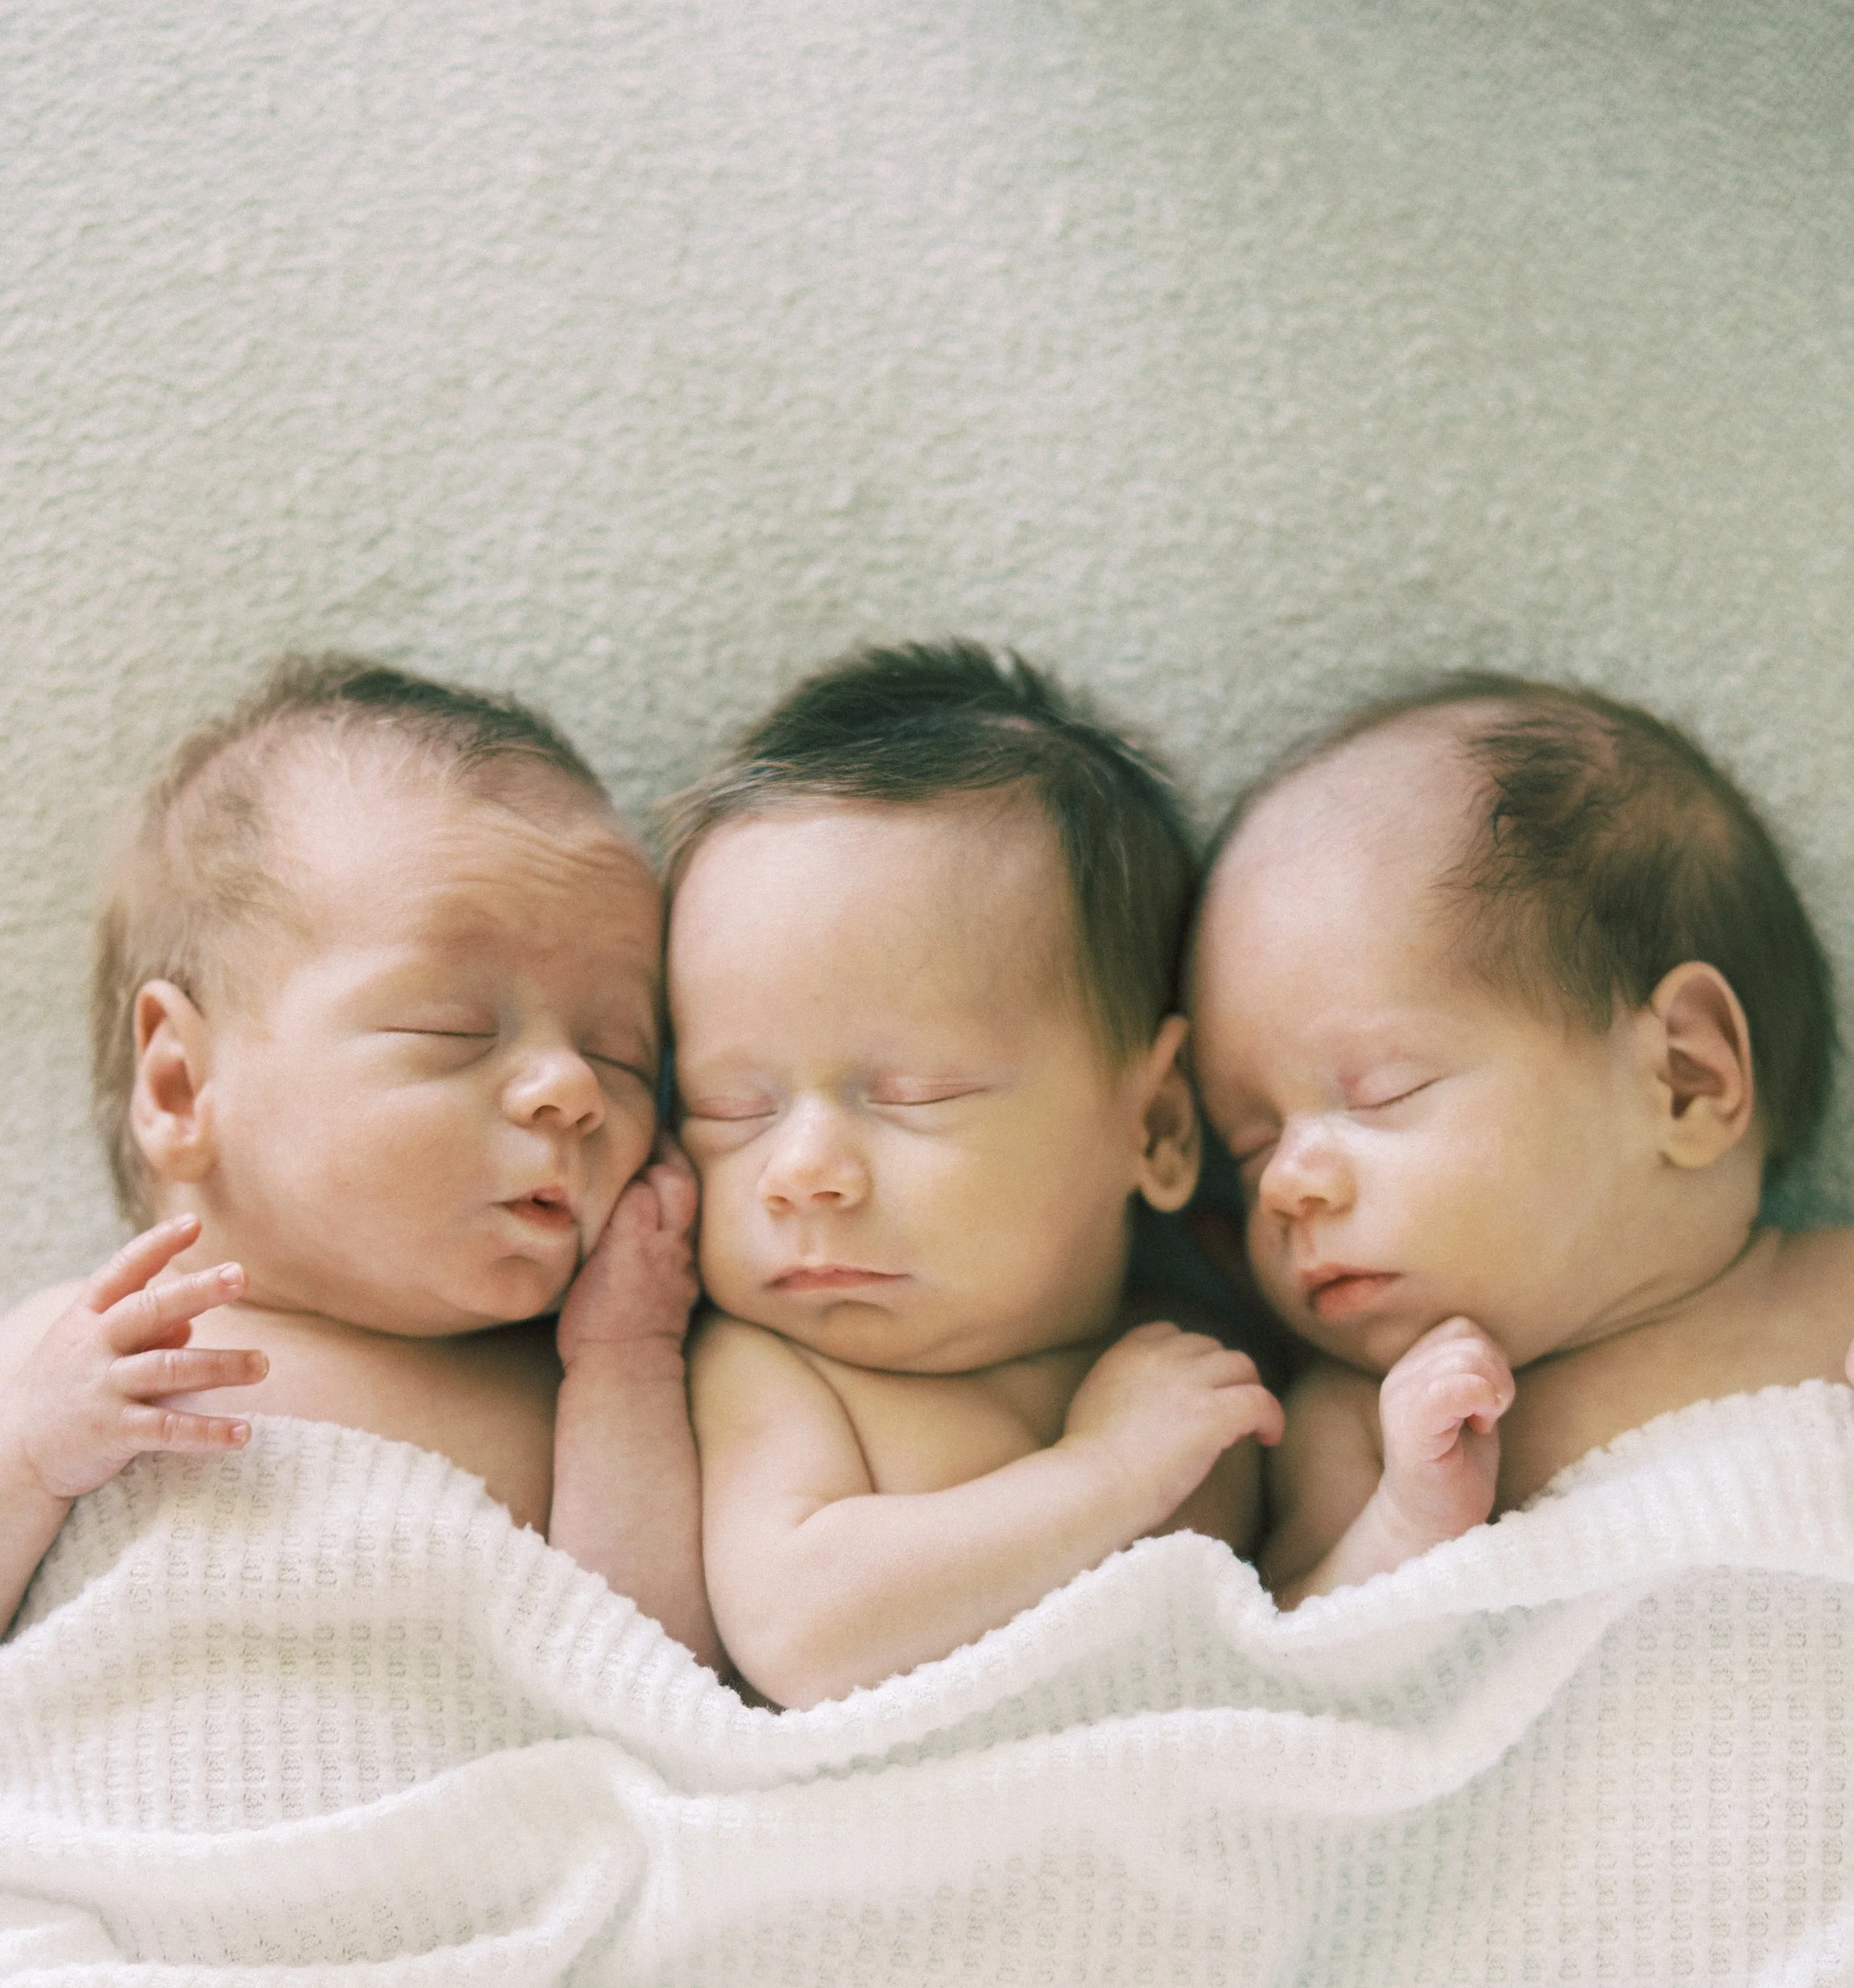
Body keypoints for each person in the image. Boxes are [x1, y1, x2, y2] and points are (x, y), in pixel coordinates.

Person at [0, 656, 716, 1661]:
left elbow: (657, 1686)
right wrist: (28, 1459)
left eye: (622, 1052)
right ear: (181, 1085)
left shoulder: (565, 1394)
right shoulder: (66, 1357)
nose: (572, 1085)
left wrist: (627, 1371)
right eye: (456, 1027)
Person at [662, 641, 1283, 1707]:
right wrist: (1104, 1472)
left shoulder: (1212, 1355)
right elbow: (802, 1629)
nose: (802, 1173)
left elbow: (1328, 1629)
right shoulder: (777, 1369)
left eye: (915, 1093)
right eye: (731, 1108)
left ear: (1161, 1124)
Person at [1187, 672, 1850, 1604]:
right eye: (1248, 1146)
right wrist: (1405, 1525)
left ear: (1684, 1081)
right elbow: (1291, 1669)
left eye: (1382, 1092)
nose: (1286, 1185)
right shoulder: (1360, 1427)